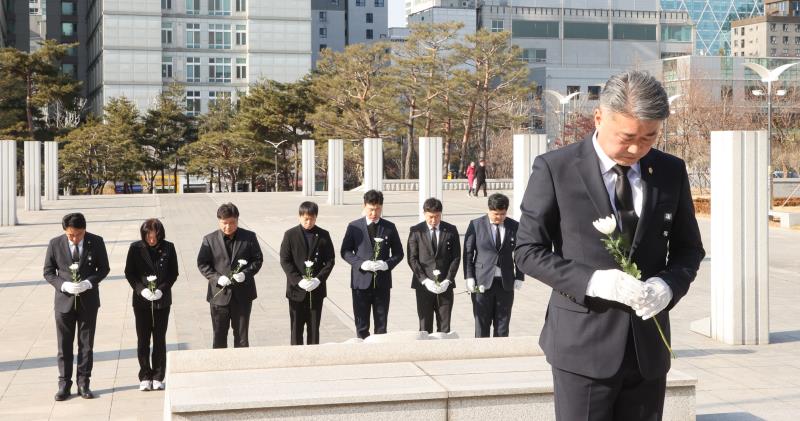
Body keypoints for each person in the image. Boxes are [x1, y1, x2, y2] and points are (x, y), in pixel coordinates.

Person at [515, 70, 705, 420]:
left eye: (649, 137)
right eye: (627, 137)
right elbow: (527, 250)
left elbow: (689, 249)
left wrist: (668, 286)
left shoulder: (670, 170)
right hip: (582, 346)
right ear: (599, 117)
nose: (636, 149)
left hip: (649, 347)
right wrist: (594, 281)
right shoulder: (555, 169)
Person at [43, 213, 110, 401]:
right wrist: (63, 285)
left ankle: (84, 383)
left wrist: (89, 283)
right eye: (70, 235)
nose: (74, 239)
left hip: (88, 300)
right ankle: (64, 384)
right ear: (65, 231)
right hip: (64, 301)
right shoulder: (55, 243)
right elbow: (48, 271)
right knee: (64, 345)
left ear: (84, 229)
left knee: (86, 345)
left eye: (78, 235)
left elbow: (104, 268)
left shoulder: (96, 242)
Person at [197, 203, 264, 348]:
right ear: (219, 221)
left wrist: (246, 274)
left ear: (237, 220)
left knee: (241, 337)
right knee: (219, 336)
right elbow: (202, 263)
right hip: (219, 296)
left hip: (243, 295)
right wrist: (216, 277)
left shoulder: (249, 237)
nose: (228, 226)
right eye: (224, 223)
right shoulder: (209, 239)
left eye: (232, 223)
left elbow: (257, 260)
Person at [124, 219, 179, 391]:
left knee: (160, 339)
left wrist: (162, 289)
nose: (152, 239)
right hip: (142, 301)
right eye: (148, 236)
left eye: (155, 236)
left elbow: (173, 273)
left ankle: (158, 376)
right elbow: (129, 273)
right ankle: (145, 375)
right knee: (143, 339)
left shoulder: (169, 247)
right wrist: (141, 290)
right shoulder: (135, 248)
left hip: (162, 300)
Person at [341, 190, 404, 339]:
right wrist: (361, 264)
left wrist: (386, 264)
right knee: (361, 324)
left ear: (381, 207)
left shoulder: (389, 227)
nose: (374, 213)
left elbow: (399, 253)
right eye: (370, 209)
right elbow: (345, 251)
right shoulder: (354, 226)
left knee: (381, 325)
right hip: (361, 282)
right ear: (364, 206)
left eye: (377, 209)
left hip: (382, 283)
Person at [463, 193, 524, 338]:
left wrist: (520, 276)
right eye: (496, 214)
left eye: (502, 214)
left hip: (505, 282)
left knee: (503, 325)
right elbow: (468, 253)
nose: (499, 217)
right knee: (482, 324)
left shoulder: (514, 226)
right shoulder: (476, 225)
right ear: (489, 210)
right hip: (482, 281)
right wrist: (469, 277)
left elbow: (520, 252)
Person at [279, 201, 336, 345]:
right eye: (305, 218)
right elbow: (285, 260)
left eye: (312, 218)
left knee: (314, 328)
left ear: (316, 218)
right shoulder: (290, 235)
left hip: (316, 291)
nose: (308, 222)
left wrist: (318, 279)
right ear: (299, 217)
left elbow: (330, 261)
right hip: (296, 291)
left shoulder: (323, 235)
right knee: (296, 328)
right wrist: (298, 280)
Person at [406, 197, 461, 334]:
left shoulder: (451, 230)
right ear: (424, 213)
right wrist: (425, 280)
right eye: (430, 217)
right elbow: (412, 258)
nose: (434, 220)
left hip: (445, 285)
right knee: (425, 326)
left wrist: (448, 279)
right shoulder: (416, 231)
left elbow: (456, 257)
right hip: (424, 286)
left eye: (437, 216)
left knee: (444, 325)